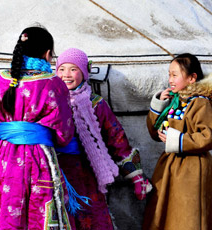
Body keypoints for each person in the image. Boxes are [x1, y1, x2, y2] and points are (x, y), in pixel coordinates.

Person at [0, 26, 75, 229]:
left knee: (6, 209)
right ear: (48, 54)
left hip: (4, 157)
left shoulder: (2, 80)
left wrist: (10, 133)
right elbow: (64, 132)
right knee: (39, 213)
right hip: (38, 158)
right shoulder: (52, 84)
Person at [55, 48, 152, 230]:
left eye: (73, 69)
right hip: (57, 172)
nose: (66, 75)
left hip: (88, 172)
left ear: (84, 73)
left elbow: (116, 137)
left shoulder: (96, 104)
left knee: (93, 218)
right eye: (62, 69)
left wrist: (135, 176)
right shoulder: (50, 100)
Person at [143, 53, 212, 230]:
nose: (170, 79)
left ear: (191, 78)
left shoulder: (200, 103)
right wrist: (159, 105)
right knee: (166, 216)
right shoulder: (175, 102)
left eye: (175, 75)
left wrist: (178, 140)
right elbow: (154, 133)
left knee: (187, 217)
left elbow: (209, 136)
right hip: (169, 169)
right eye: (169, 74)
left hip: (192, 170)